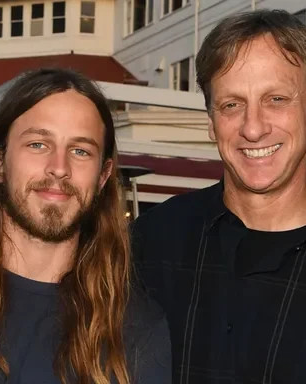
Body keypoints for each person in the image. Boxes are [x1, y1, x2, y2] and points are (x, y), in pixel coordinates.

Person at [0, 67, 171, 384]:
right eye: (38, 144)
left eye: (80, 150)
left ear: (103, 176)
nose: (59, 168)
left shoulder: (136, 329)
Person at [130, 9, 306, 384]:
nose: (254, 127)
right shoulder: (152, 242)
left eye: (276, 99)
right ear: (211, 122)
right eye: (232, 105)